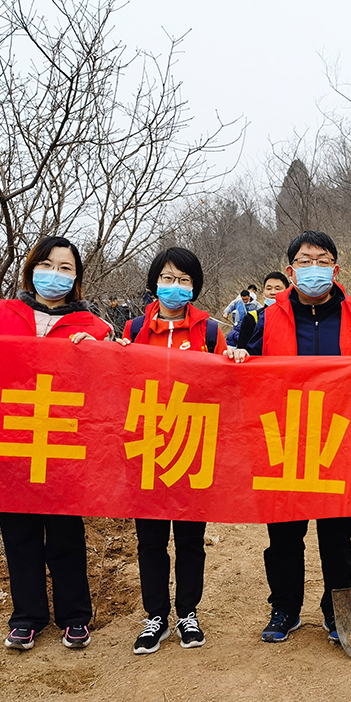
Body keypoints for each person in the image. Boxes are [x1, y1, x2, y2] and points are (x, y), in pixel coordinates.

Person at [0, 236, 114, 651]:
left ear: (76, 278)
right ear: (31, 269)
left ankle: (75, 617)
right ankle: (27, 617)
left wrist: (101, 352)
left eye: (65, 268)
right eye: (47, 265)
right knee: (19, 536)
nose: (55, 275)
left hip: (64, 446)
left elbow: (116, 374)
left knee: (65, 535)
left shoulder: (93, 327)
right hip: (11, 442)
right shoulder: (2, 314)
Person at [226, 230, 351, 644]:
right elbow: (239, 362)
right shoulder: (264, 317)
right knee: (283, 535)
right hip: (282, 439)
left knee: (336, 534)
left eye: (322, 261)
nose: (314, 268)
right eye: (305, 261)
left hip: (338, 440)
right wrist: (240, 355)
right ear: (291, 270)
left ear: (335, 269)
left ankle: (336, 610)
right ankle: (284, 608)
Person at [123, 247, 227, 655]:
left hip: (192, 445)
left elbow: (229, 385)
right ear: (154, 283)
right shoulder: (134, 329)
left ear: (194, 287)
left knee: (189, 539)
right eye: (167, 278)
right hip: (146, 447)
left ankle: (188, 612)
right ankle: (155, 616)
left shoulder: (210, 332)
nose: (175, 286)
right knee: (150, 540)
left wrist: (236, 357)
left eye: (183, 280)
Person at [226, 271, 289, 349]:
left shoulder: (295, 316)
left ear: (288, 291)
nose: (273, 292)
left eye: (277, 288)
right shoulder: (252, 318)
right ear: (263, 292)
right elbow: (242, 350)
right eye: (269, 288)